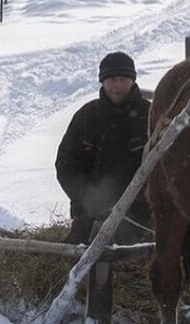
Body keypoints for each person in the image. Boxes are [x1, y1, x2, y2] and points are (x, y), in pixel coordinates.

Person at [55, 51, 152, 244]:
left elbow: (164, 168)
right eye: (111, 79)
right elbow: (66, 165)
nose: (117, 85)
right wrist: (90, 197)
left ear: (132, 80)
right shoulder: (86, 117)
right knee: (76, 261)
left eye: (123, 78)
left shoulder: (149, 116)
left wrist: (138, 202)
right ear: (102, 81)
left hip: (140, 217)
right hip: (89, 214)